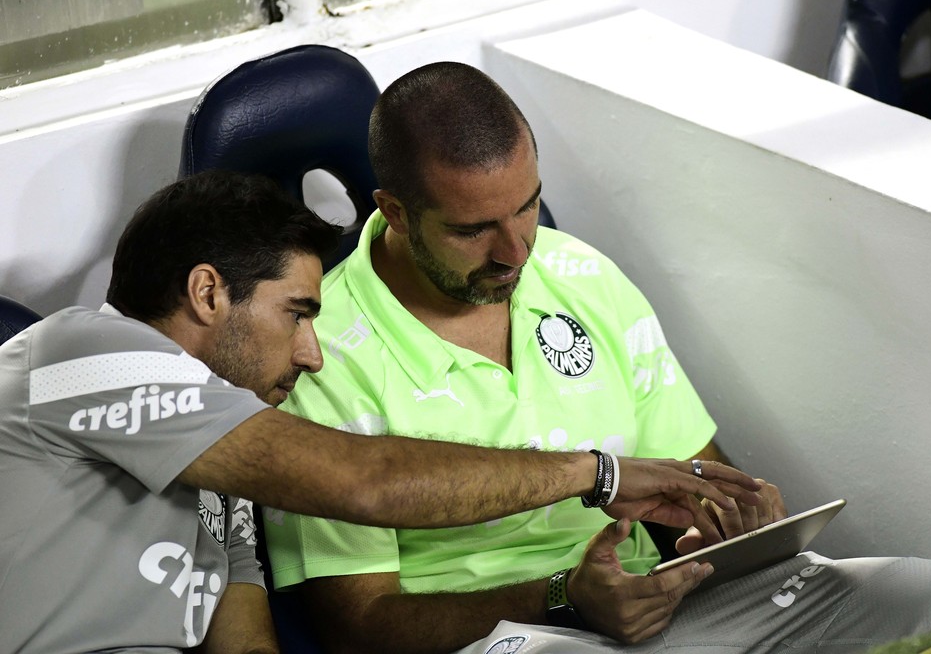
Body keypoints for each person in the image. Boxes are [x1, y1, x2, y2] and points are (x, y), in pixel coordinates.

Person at [264, 62, 931, 653]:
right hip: (516, 639)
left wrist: (731, 521)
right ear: (392, 210)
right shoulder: (317, 354)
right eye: (474, 229)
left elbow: (692, 472)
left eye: (527, 208)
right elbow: (358, 626)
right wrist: (561, 599)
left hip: (668, 613)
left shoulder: (580, 276)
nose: (517, 251)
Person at [0, 170, 766, 654]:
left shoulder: (223, 470)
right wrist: (592, 475)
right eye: (296, 315)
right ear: (207, 294)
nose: (312, 353)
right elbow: (363, 482)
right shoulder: (77, 352)